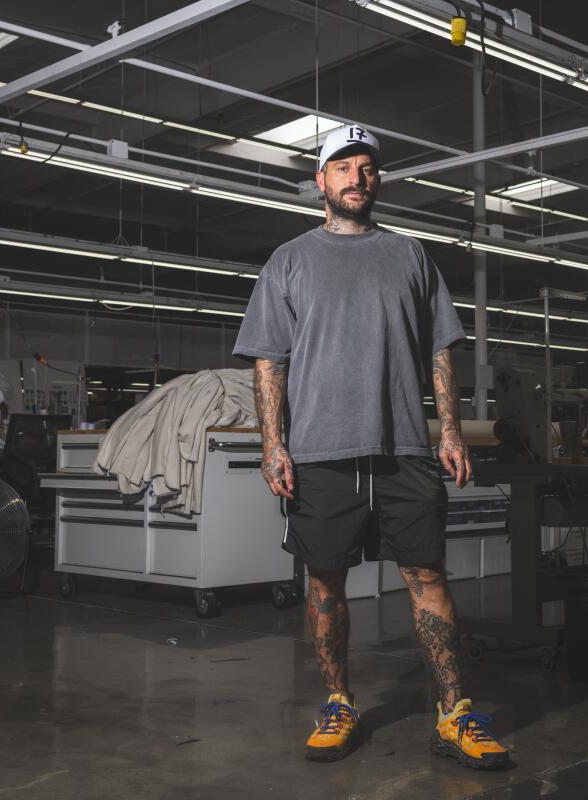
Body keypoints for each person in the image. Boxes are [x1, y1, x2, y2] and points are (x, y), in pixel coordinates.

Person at [232, 124, 509, 770]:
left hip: (405, 449)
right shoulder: (290, 261)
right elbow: (268, 363)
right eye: (344, 167)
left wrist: (448, 429)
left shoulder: (411, 256)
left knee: (427, 575)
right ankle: (338, 703)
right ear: (321, 182)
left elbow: (439, 350)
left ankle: (455, 710)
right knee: (325, 582)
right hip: (321, 452)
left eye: (368, 168)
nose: (358, 177)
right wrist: (274, 446)